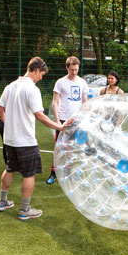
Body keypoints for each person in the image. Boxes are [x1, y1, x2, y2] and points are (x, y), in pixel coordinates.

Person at [0, 57, 73, 221]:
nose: (41, 78)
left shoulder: (10, 86)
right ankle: (25, 210)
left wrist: (10, 124)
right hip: (25, 141)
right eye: (41, 74)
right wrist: (58, 127)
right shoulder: (32, 89)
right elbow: (39, 115)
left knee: (10, 167)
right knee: (29, 174)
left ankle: (2, 202)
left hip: (10, 139)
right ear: (36, 70)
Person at [46, 56, 89, 185]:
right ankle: (53, 173)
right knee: (58, 147)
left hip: (77, 121)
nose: (74, 72)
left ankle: (68, 170)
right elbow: (55, 102)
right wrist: (57, 121)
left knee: (72, 147)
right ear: (67, 68)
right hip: (63, 120)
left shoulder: (82, 82)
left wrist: (84, 118)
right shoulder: (60, 82)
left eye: (76, 69)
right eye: (72, 70)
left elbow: (85, 101)